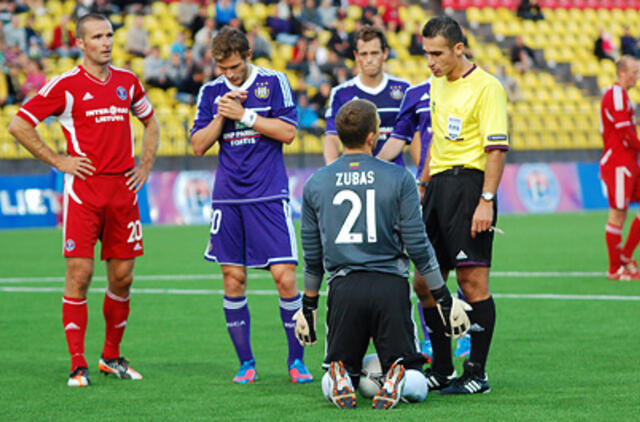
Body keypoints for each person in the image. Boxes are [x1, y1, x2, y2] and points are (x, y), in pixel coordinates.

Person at [8, 13, 159, 387]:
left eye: (109, 35)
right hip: (84, 193)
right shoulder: (67, 86)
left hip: (124, 193)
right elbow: (20, 124)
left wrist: (144, 166)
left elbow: (152, 123)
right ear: (81, 43)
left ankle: (111, 356)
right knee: (80, 274)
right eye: (97, 37)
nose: (106, 42)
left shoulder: (128, 82)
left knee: (122, 278)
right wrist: (59, 160)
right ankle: (78, 363)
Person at [294, 98, 471, 410]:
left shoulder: (315, 183)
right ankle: (399, 376)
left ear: (338, 136)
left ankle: (340, 375)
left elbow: (313, 254)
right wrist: (444, 297)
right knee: (416, 382)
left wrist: (308, 306)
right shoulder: (398, 178)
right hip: (389, 286)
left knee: (332, 375)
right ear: (372, 137)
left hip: (344, 288)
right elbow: (417, 244)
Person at [189, 26, 313, 385]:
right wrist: (222, 116)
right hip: (228, 197)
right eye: (223, 68)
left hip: (269, 194)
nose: (229, 74)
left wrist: (245, 115)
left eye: (234, 67)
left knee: (286, 278)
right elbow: (198, 145)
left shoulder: (274, 82)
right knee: (233, 278)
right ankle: (246, 363)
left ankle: (296, 360)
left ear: (248, 56)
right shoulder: (211, 92)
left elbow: (289, 132)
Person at [415, 16, 509, 395]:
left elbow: (496, 148)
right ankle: (440, 367)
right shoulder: (436, 84)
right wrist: (423, 185)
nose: (430, 62)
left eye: (436, 53)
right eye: (426, 54)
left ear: (458, 49)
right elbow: (436, 140)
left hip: (470, 187)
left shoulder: (488, 87)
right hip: (438, 188)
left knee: (472, 283)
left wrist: (486, 200)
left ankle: (476, 373)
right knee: (424, 282)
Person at [323, 25, 410, 165]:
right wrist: (332, 169)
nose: (369, 60)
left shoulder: (404, 89)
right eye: (364, 54)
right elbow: (331, 137)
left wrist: (375, 165)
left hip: (393, 177)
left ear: (385, 54)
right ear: (356, 56)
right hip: (356, 177)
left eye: (374, 53)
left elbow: (407, 136)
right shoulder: (341, 93)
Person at [600, 56, 640, 281]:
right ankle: (615, 269)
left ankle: (625, 256)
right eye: (635, 71)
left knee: (621, 212)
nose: (637, 75)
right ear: (622, 72)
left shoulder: (623, 96)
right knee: (618, 213)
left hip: (629, 161)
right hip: (619, 163)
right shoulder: (615, 95)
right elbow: (624, 132)